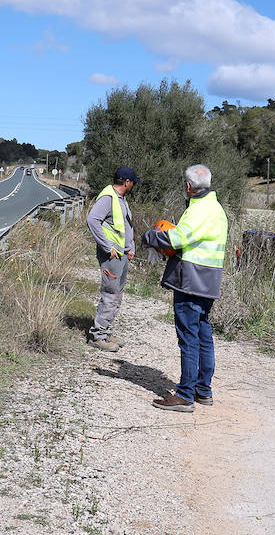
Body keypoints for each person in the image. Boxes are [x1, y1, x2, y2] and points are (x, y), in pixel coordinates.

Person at [140, 164, 228, 412]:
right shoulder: (218, 209)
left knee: (188, 338)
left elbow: (176, 239)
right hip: (209, 281)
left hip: (191, 281)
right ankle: (203, 391)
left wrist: (149, 237)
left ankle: (185, 395)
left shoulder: (199, 210)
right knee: (202, 335)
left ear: (189, 187)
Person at [86, 166, 138, 351]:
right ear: (126, 182)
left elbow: (125, 225)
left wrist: (130, 246)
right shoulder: (108, 198)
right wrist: (107, 247)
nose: (132, 185)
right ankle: (97, 336)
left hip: (121, 254)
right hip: (111, 254)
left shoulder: (120, 199)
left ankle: (106, 332)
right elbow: (92, 220)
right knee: (110, 294)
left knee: (117, 294)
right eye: (132, 182)